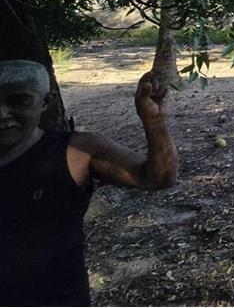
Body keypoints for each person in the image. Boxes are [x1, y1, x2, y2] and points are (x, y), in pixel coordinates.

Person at [0, 60, 178, 306]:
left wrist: (155, 123)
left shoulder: (76, 152)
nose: (2, 113)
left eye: (19, 101)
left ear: (45, 102)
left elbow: (157, 178)